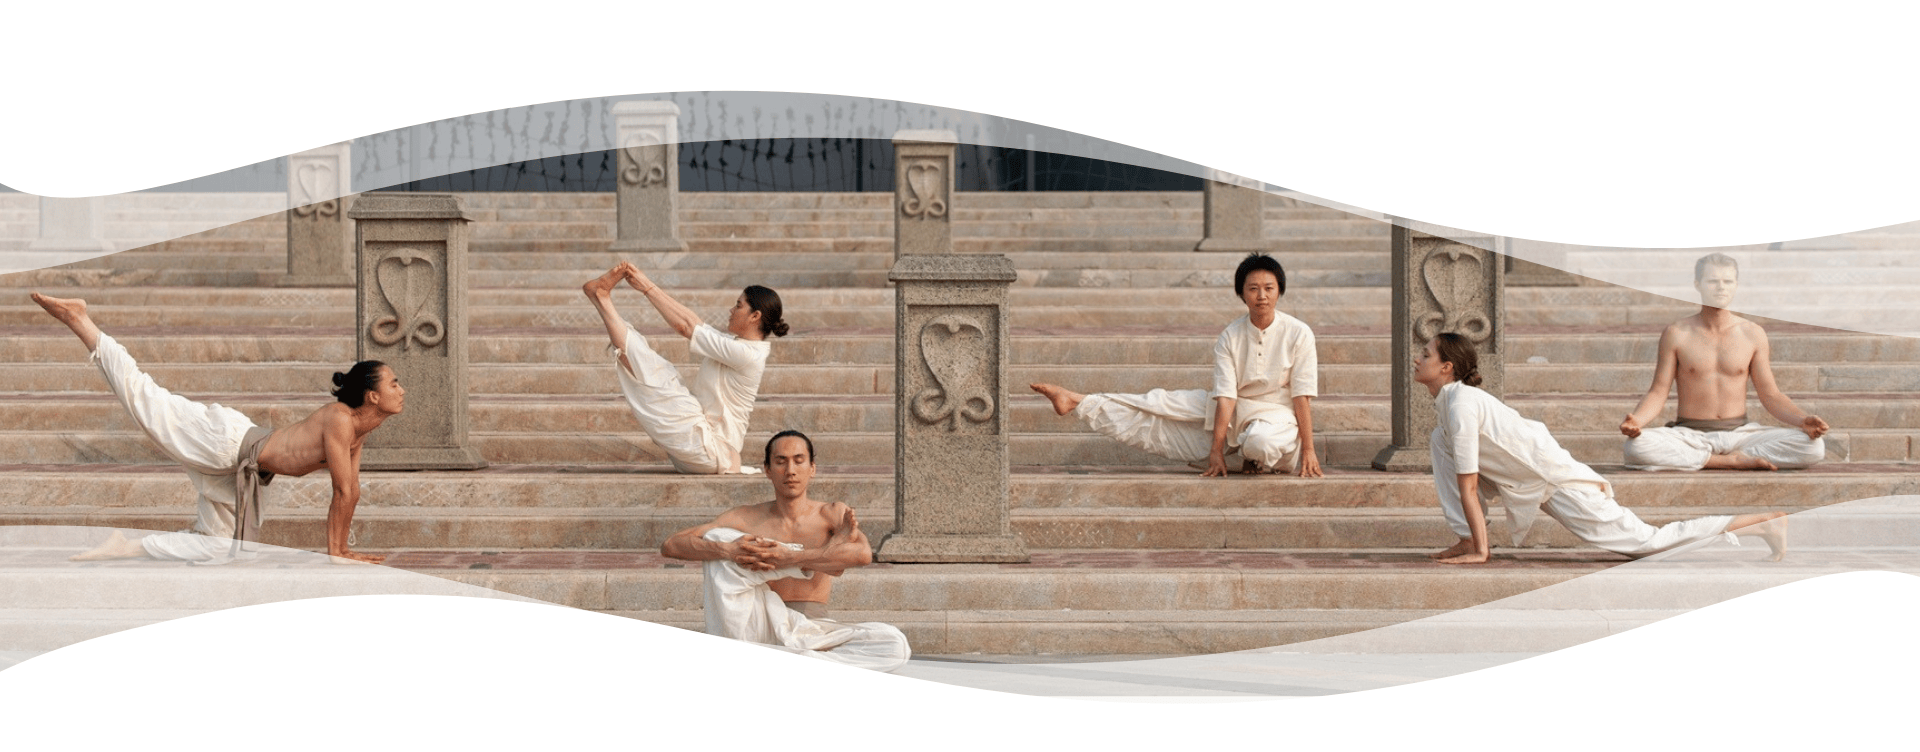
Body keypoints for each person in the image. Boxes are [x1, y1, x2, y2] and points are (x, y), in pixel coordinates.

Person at [32, 293, 398, 565]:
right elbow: (342, 488)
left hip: (240, 467)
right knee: (146, 400)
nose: (402, 390)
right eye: (393, 384)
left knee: (219, 547)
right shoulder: (339, 419)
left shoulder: (358, 430)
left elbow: (352, 491)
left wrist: (342, 551)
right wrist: (337, 552)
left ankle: (127, 547)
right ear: (372, 396)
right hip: (225, 442)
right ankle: (81, 321)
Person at [1416, 332, 1788, 565]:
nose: (1417, 357)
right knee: (1439, 442)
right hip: (1533, 480)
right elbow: (1462, 477)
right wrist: (1472, 540)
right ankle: (1466, 536)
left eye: (1426, 354)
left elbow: (1468, 485)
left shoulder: (1462, 405)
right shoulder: (1450, 405)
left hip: (1561, 484)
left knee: (1647, 544)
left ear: (1447, 367)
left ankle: (1762, 523)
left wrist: (1484, 552)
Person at [1030, 252, 1323, 478]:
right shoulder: (1230, 336)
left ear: (1279, 291)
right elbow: (1226, 396)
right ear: (1241, 293)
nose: (1262, 296)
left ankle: (1253, 457)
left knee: (1260, 442)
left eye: (1269, 288)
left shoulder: (1299, 333)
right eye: (1253, 288)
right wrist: (1215, 451)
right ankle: (1079, 401)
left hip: (1277, 418)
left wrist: (1309, 449)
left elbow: (1301, 396)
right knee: (1160, 404)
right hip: (1234, 409)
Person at [659, 430, 910, 671]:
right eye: (781, 462)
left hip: (813, 627)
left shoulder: (830, 514)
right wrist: (728, 551)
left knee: (894, 645)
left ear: (812, 468)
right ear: (768, 470)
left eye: (798, 461)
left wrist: (791, 557)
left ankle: (787, 660)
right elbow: (671, 544)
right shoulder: (745, 517)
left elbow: (862, 554)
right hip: (758, 620)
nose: (790, 471)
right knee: (718, 537)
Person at [1620, 252, 1828, 471]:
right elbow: (1658, 391)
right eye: (1713, 281)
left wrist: (1802, 420)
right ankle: (1729, 461)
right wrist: (1638, 421)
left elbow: (1771, 395)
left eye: (1727, 281)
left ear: (1736, 285)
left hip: (1741, 435)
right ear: (1697, 285)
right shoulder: (1677, 333)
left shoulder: (1752, 334)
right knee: (1636, 447)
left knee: (1813, 447)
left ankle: (1713, 458)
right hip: (1689, 434)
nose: (1721, 287)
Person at [582, 262, 787, 475]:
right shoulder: (736, 345)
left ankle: (601, 298)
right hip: (700, 447)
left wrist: (647, 287)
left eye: (738, 305)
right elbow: (693, 323)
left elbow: (686, 327)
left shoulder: (748, 355)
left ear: (755, 316)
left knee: (658, 376)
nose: (731, 310)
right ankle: (600, 298)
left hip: (710, 450)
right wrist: (647, 288)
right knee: (658, 373)